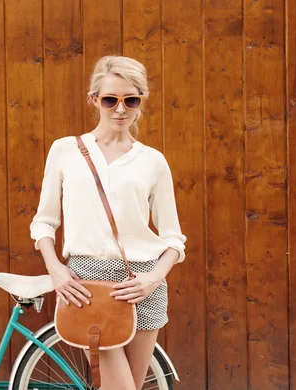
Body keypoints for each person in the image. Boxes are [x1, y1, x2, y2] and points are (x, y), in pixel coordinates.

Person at [30, 55, 187, 390]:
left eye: (131, 100)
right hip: (87, 284)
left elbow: (173, 239)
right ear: (94, 100)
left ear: (141, 102)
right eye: (110, 99)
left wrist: (153, 279)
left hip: (141, 284)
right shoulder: (66, 151)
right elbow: (44, 223)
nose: (120, 109)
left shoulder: (152, 161)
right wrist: (55, 268)